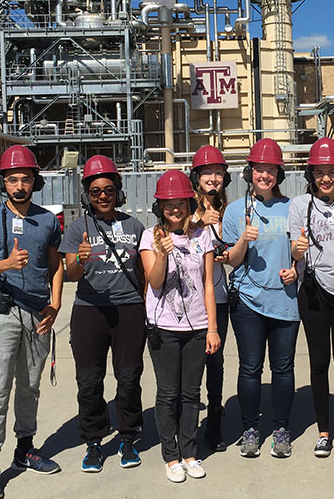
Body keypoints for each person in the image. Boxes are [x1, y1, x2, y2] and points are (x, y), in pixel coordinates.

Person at [0, 145, 63, 499]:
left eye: (25, 179)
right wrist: (5, 265)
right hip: (2, 312)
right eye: (12, 180)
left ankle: (25, 449)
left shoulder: (48, 220)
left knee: (31, 386)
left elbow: (55, 266)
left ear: (35, 182)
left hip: (38, 314)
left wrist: (55, 305)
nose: (19, 186)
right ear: (1, 183)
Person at [60, 155, 146, 473]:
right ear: (87, 195)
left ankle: (127, 438)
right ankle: (94, 442)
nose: (103, 196)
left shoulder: (135, 226)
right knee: (89, 381)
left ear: (118, 191)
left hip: (128, 310)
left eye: (108, 190)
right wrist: (80, 259)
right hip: (89, 311)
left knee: (128, 379)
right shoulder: (76, 229)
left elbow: (144, 274)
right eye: (95, 191)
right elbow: (70, 274)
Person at [140, 170, 221, 482]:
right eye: (168, 204)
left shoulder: (204, 236)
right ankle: (170, 455)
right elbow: (155, 281)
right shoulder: (151, 237)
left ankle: (189, 452)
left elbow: (208, 285)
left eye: (181, 203)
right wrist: (161, 254)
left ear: (190, 203)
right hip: (163, 328)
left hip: (198, 327)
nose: (175, 209)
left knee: (191, 393)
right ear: (159, 207)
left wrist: (212, 327)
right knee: (168, 392)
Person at [223, 138, 299, 459]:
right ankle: (250, 429)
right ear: (249, 173)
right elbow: (231, 259)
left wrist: (296, 269)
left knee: (283, 369)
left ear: (278, 174)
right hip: (247, 302)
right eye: (259, 170)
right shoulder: (235, 210)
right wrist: (242, 238)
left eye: (270, 170)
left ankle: (281, 430)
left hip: (285, 300)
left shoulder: (292, 207)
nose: (264, 175)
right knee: (250, 368)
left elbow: (300, 251)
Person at [288, 137, 334, 461]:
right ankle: (323, 431)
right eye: (320, 172)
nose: (326, 178)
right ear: (311, 174)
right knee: (318, 363)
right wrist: (297, 250)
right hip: (313, 292)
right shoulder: (298, 206)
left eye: (331, 172)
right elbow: (294, 250)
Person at [188, 145, 232, 451]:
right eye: (207, 173)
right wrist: (200, 221)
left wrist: (228, 255)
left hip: (218, 296)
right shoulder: (185, 210)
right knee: (191, 365)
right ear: (197, 177)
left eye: (218, 173)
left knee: (215, 363)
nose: (213, 179)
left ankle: (214, 421)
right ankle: (188, 422)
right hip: (188, 300)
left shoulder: (229, 212)